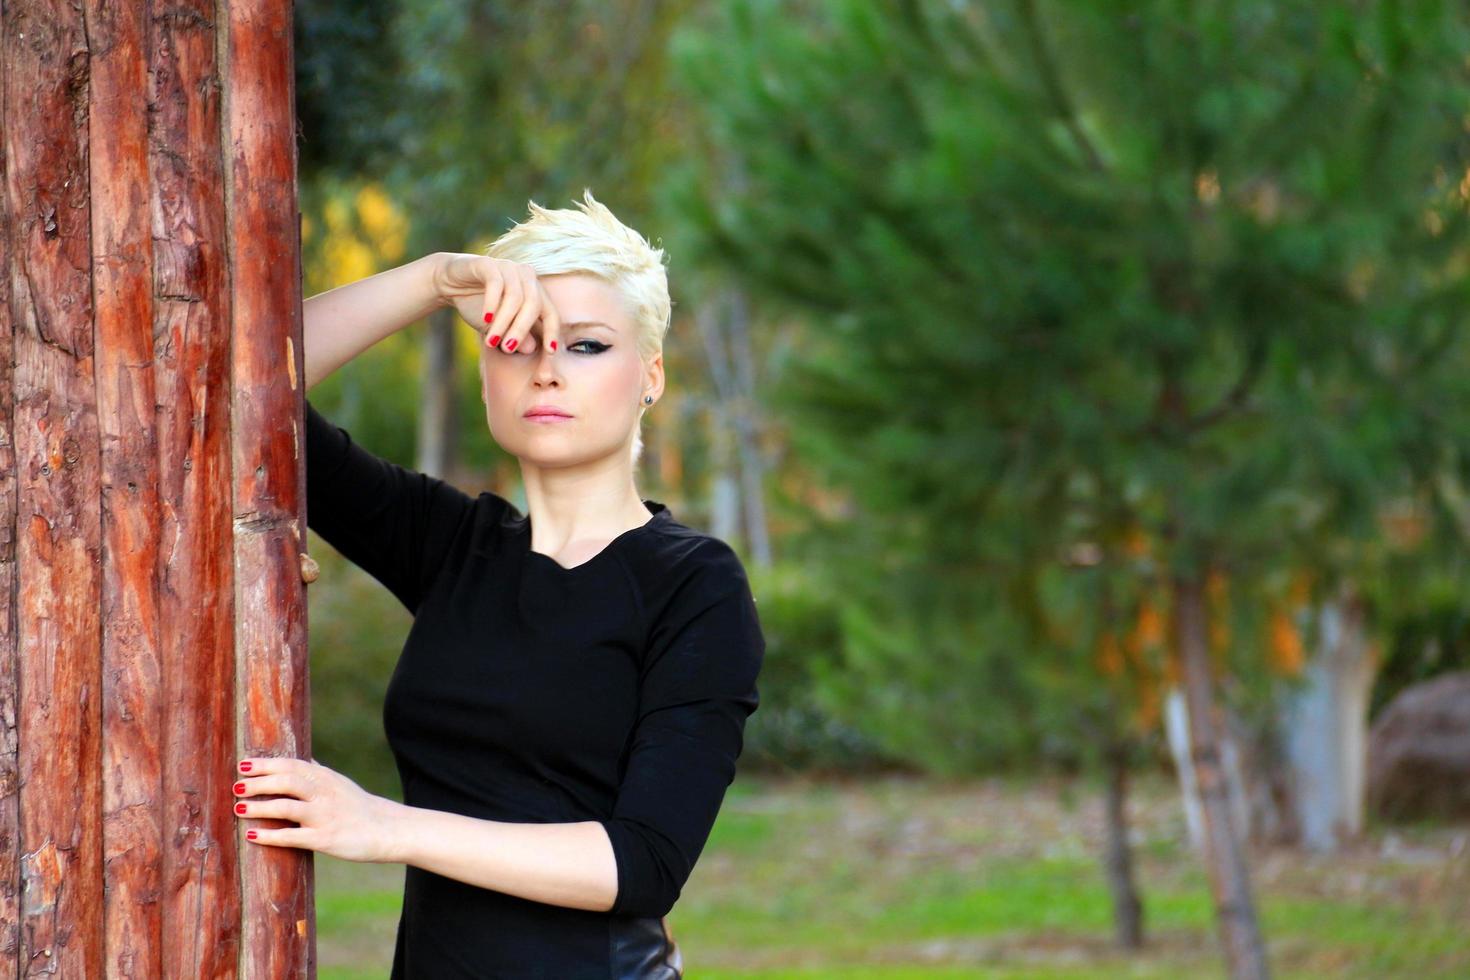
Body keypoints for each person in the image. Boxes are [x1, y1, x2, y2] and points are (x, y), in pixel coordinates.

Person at [230, 190, 765, 978]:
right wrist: (434, 281)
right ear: (487, 374)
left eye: (586, 347)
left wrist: (385, 827)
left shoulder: (694, 585)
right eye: (519, 344)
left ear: (649, 376)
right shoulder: (453, 547)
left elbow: (642, 862)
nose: (547, 372)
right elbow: (246, 377)